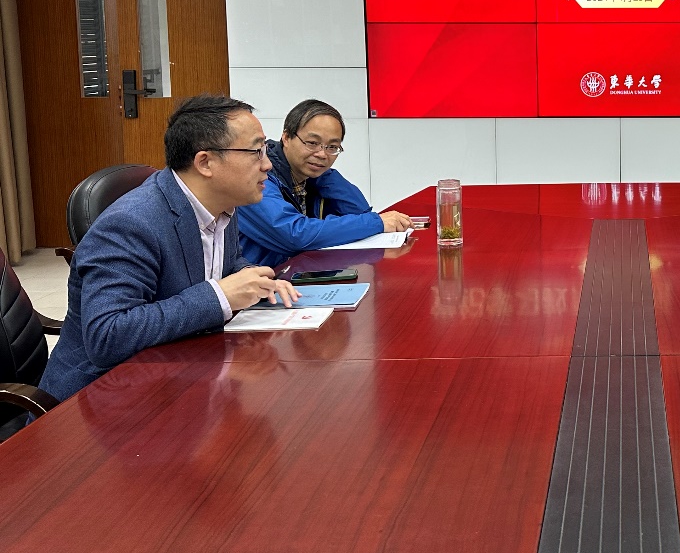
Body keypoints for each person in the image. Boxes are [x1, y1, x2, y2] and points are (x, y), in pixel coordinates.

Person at [39, 95, 299, 403]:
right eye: (256, 152)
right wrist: (220, 296)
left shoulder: (222, 203)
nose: (267, 164)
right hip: (100, 401)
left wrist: (252, 278)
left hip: (178, 378)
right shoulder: (130, 223)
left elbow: (224, 264)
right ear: (205, 162)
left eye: (265, 150)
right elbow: (107, 335)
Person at [236, 99, 411, 267]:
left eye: (332, 147)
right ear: (286, 137)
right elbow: (295, 234)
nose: (322, 154)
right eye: (312, 143)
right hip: (257, 282)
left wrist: (324, 175)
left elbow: (360, 211)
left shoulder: (312, 176)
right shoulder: (258, 177)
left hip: (293, 276)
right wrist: (376, 222)